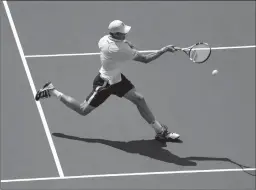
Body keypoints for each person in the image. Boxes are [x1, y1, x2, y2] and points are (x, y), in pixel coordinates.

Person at [35, 20, 180, 141]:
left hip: (117, 79)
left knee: (139, 99)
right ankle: (52, 90)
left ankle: (160, 132)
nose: (126, 34)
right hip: (104, 84)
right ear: (116, 34)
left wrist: (126, 43)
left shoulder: (105, 39)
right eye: (123, 33)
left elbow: (127, 45)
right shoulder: (118, 49)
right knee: (82, 110)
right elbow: (146, 59)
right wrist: (164, 50)